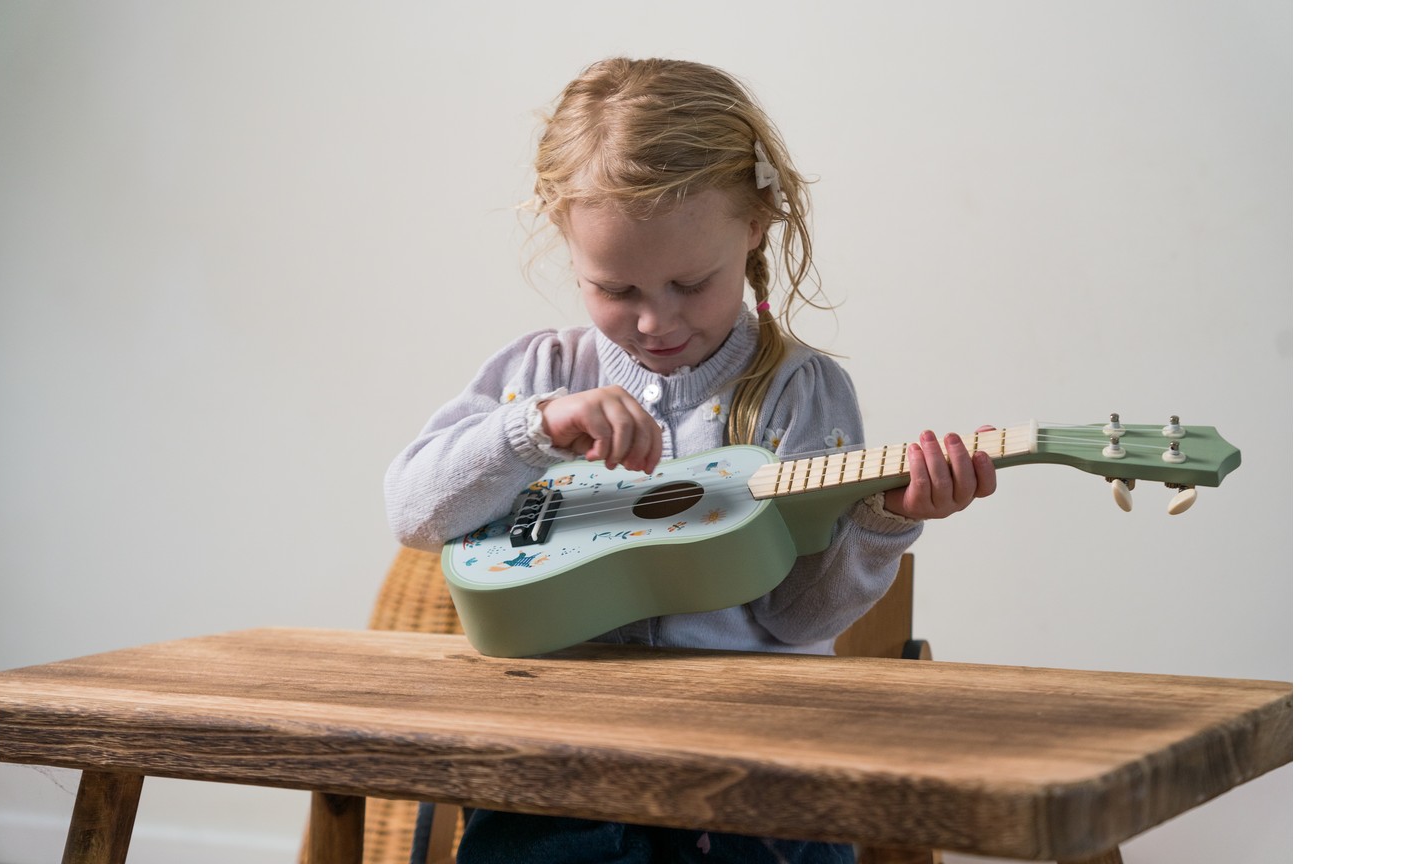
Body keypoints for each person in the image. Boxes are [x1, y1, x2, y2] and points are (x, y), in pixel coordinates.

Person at [384, 57, 996, 864]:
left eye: (688, 282)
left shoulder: (799, 394)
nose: (653, 321)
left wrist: (884, 522)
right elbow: (415, 513)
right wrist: (532, 431)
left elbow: (797, 618)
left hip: (748, 783)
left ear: (755, 226)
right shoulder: (539, 377)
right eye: (616, 289)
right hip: (555, 774)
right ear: (566, 245)